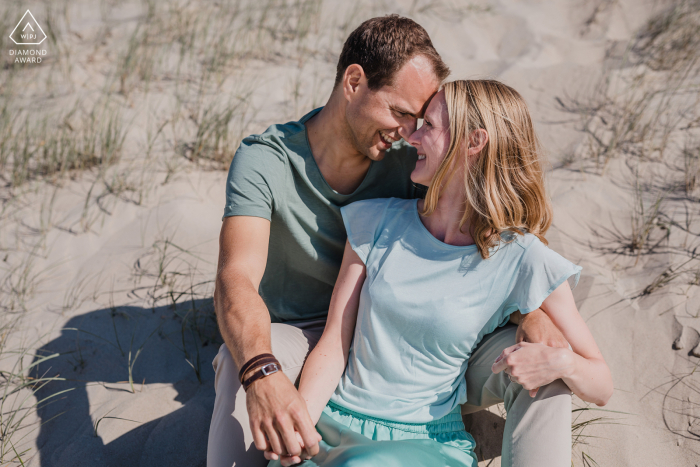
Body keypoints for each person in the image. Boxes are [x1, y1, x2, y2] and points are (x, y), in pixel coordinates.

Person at [207, 16, 571, 467]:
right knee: (242, 364)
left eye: (419, 119)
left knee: (548, 371)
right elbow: (235, 278)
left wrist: (532, 311)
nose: (409, 131)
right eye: (400, 112)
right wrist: (261, 370)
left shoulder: (411, 161)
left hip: (419, 346)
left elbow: (489, 227)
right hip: (308, 340)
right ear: (354, 82)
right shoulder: (266, 161)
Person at [267, 80, 613, 467]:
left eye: (428, 125)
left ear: (473, 141)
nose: (411, 137)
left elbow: (602, 384)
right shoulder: (375, 219)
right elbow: (333, 344)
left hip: (423, 441)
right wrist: (302, 426)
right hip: (335, 420)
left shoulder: (522, 256)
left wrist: (562, 362)